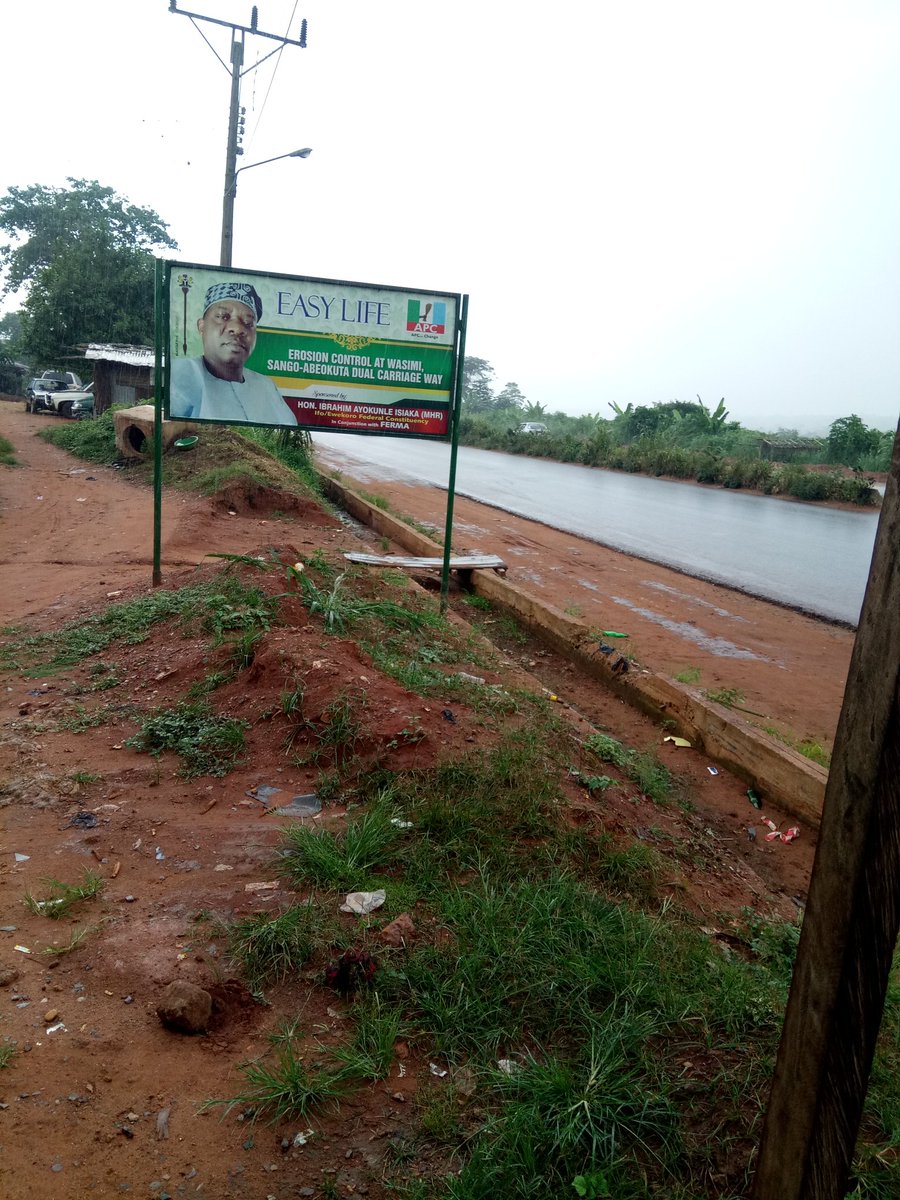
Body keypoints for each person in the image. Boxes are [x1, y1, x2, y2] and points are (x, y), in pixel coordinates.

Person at [170, 281, 297, 425]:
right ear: (202, 326)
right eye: (223, 316)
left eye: (248, 323)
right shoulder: (182, 372)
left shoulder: (265, 386)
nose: (237, 328)